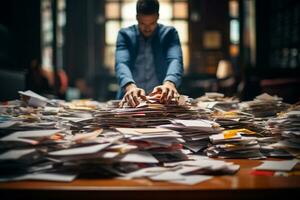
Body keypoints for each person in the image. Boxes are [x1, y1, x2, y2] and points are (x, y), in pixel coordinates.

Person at [115, 0, 184, 107]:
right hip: (131, 101)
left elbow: (175, 60)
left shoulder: (170, 33)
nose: (147, 28)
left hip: (161, 101)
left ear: (157, 17)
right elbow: (122, 63)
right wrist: (129, 86)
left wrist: (170, 83)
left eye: (152, 23)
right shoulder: (124, 34)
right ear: (137, 17)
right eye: (142, 23)